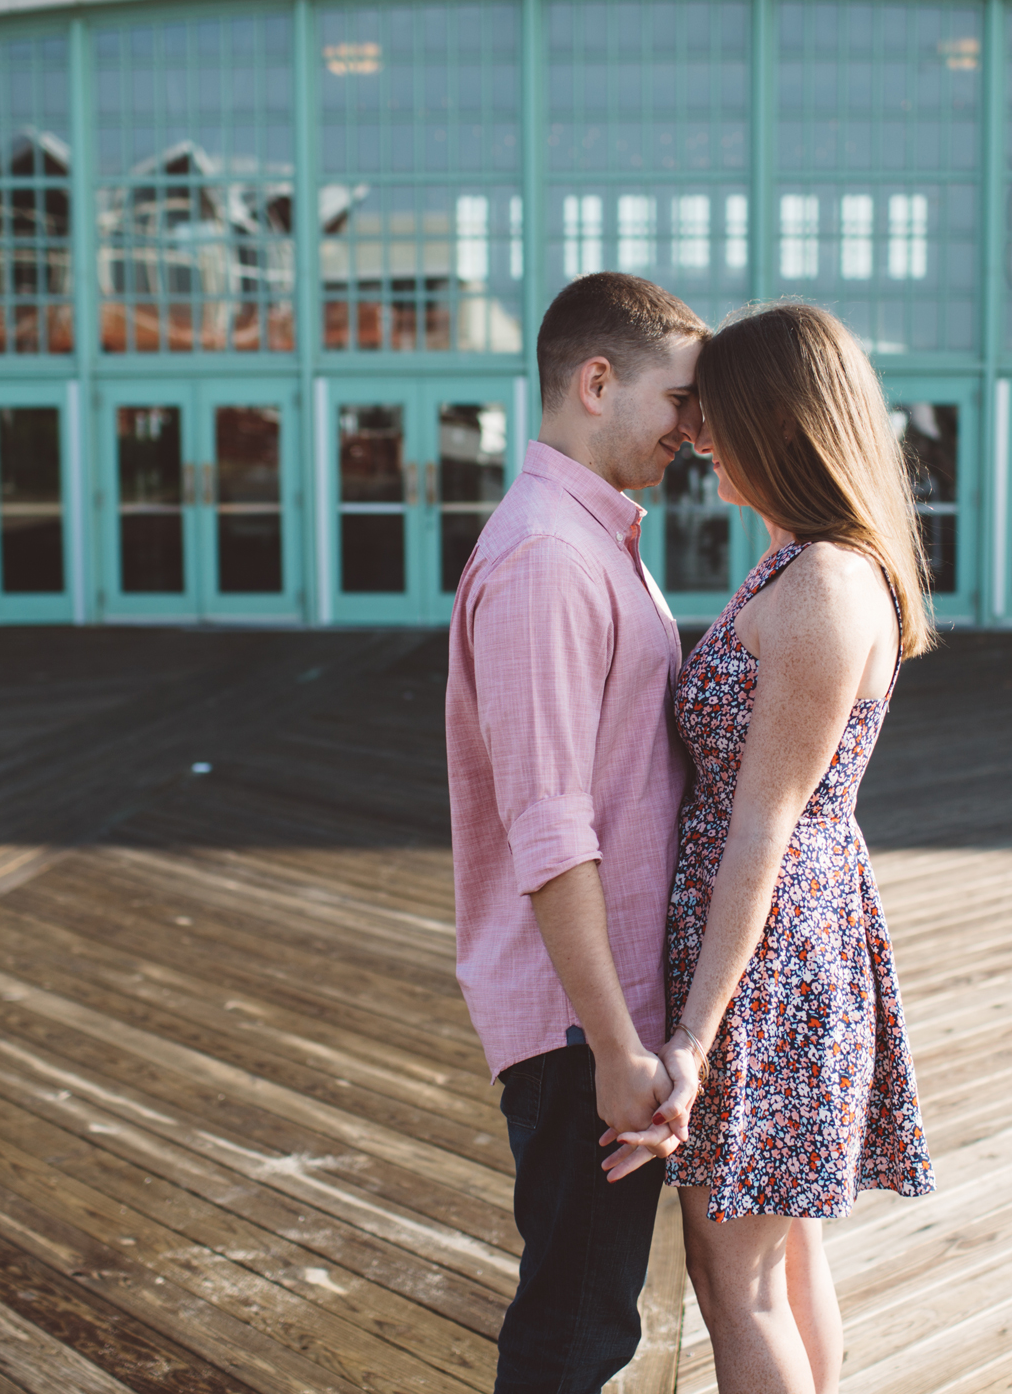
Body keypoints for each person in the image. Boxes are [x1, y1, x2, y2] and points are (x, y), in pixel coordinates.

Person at [606, 301, 938, 1394]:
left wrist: (693, 1035)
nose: (696, 440)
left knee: (732, 1269)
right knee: (784, 1245)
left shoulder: (821, 587)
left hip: (767, 954)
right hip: (783, 935)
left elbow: (768, 824)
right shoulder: (805, 563)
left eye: (716, 417)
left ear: (779, 424)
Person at [445, 271, 712, 1394]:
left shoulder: (592, 538)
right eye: (682, 401)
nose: (696, 434)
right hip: (578, 1025)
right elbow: (550, 829)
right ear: (597, 381)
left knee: (587, 1308)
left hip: (596, 1012)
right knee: (576, 1320)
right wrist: (615, 1045)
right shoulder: (549, 558)